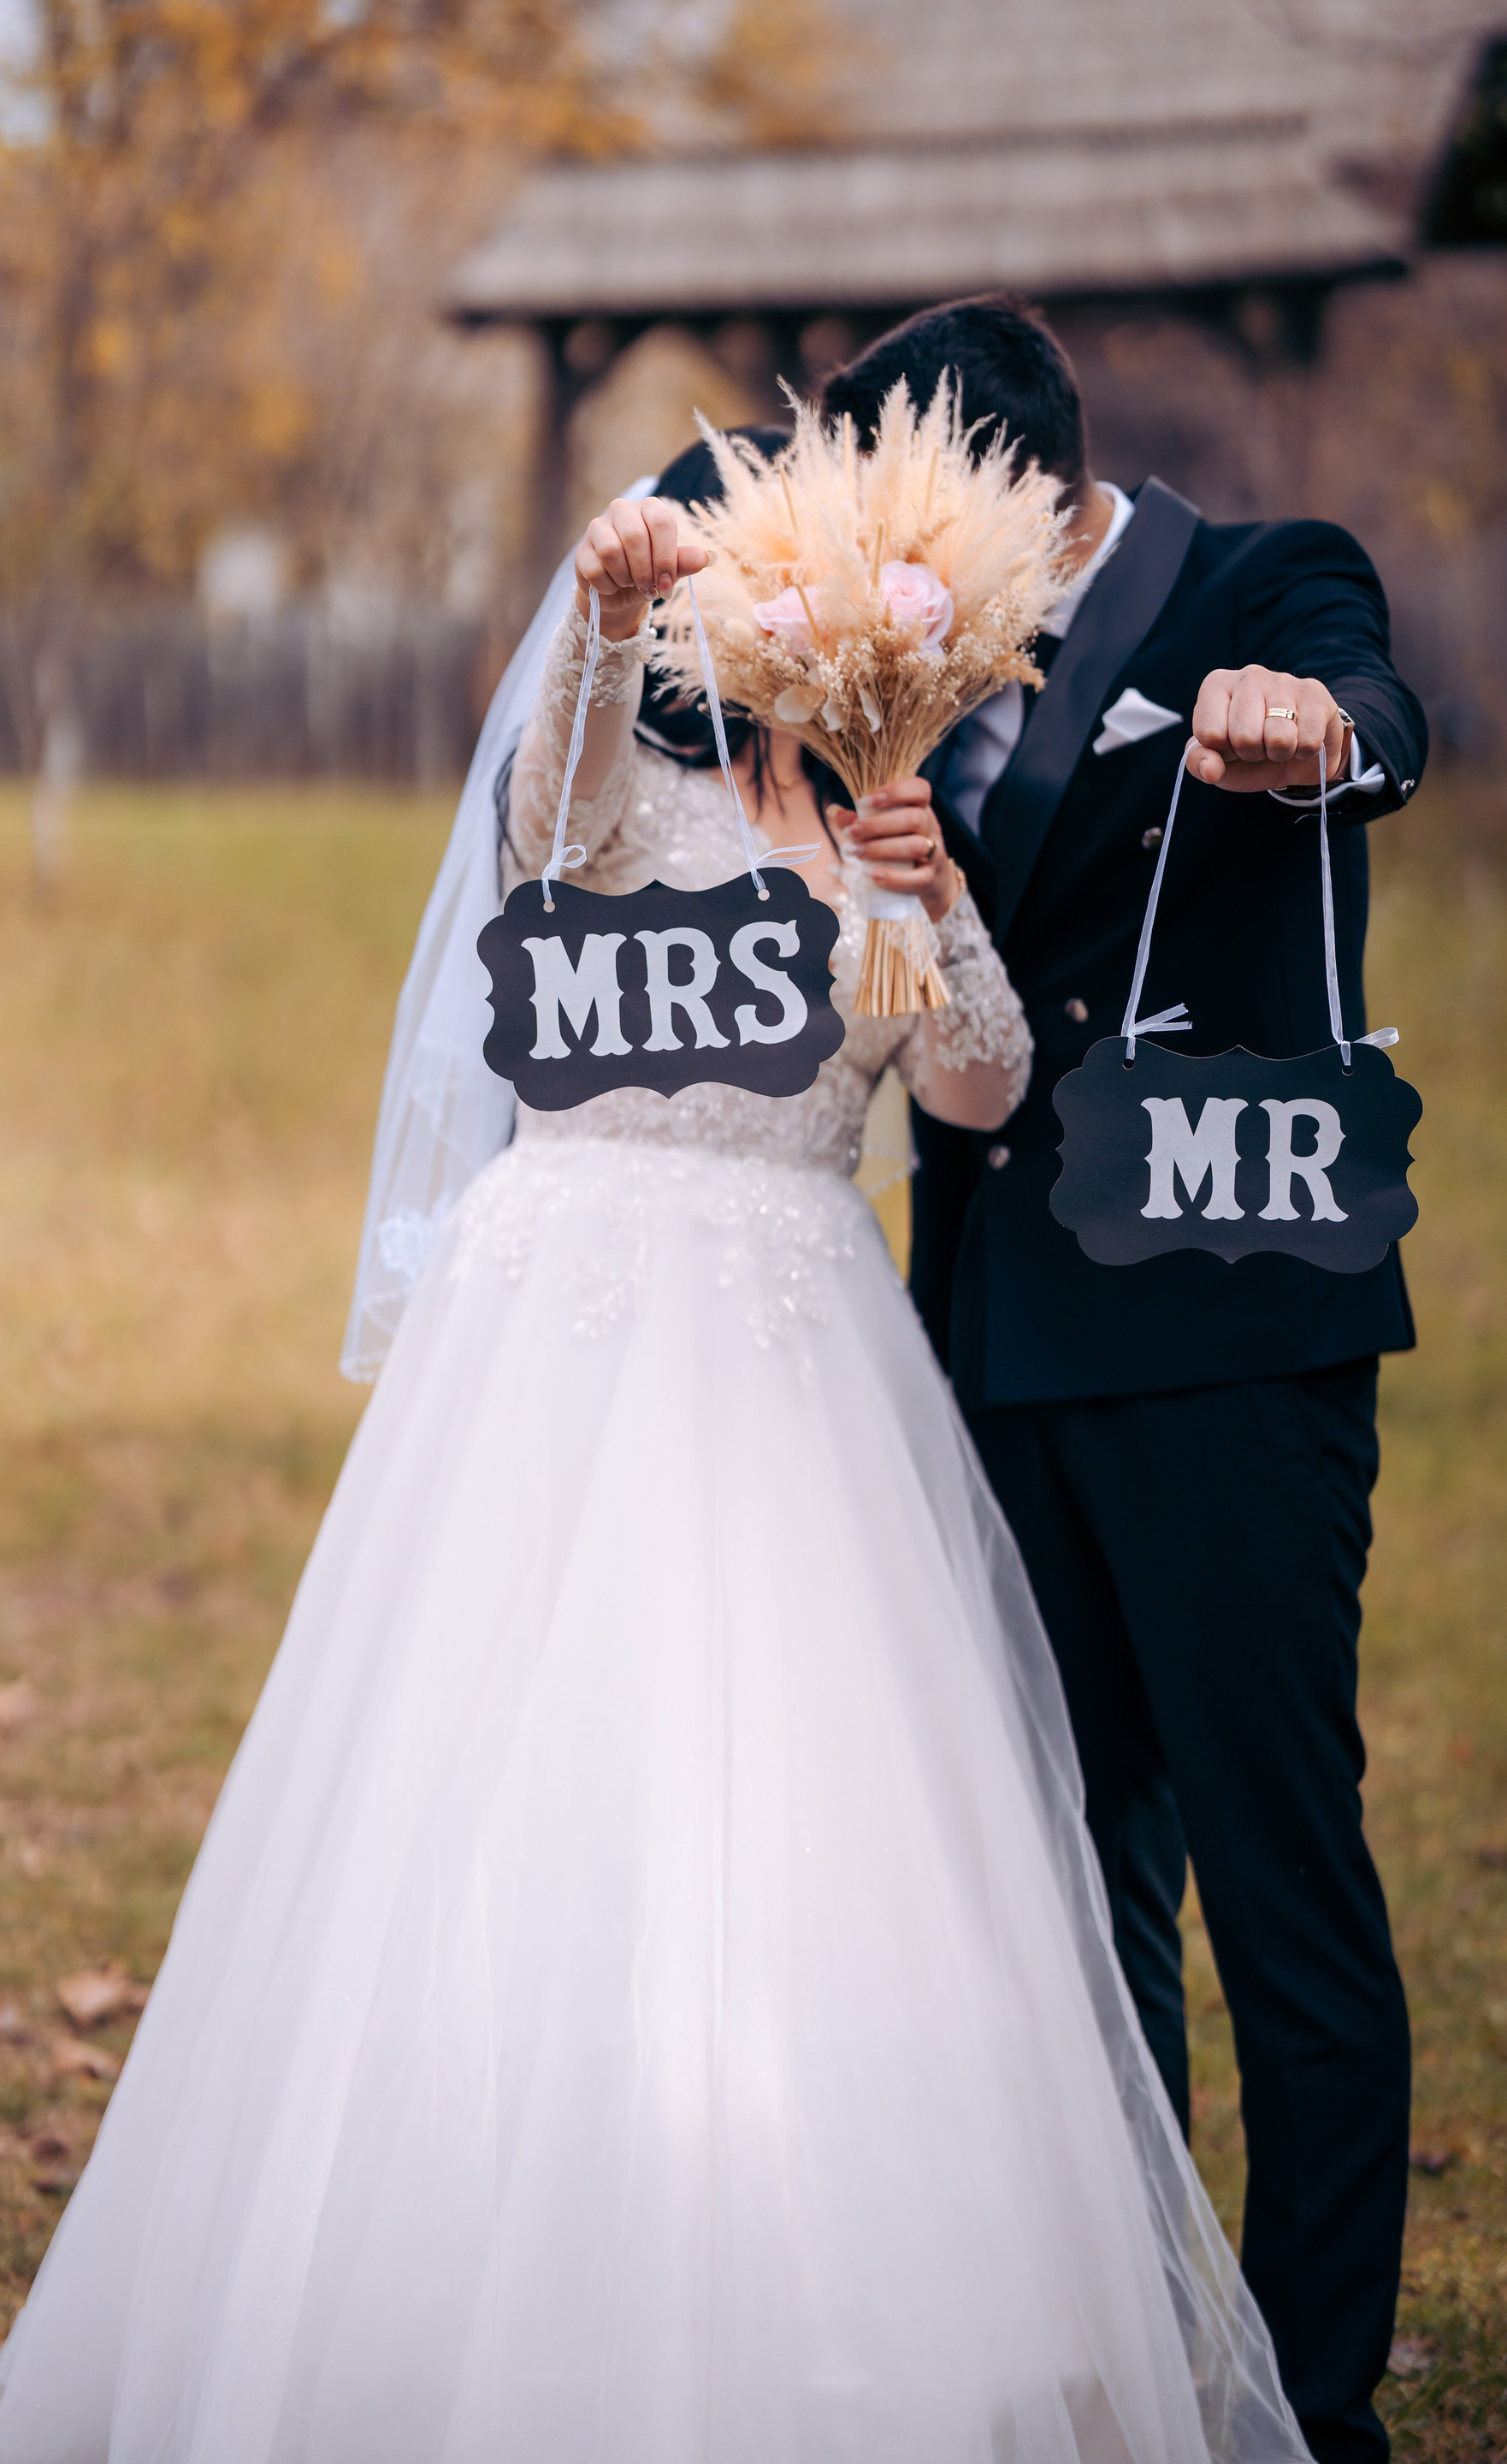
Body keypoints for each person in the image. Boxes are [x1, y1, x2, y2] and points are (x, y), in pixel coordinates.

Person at [0, 434, 1312, 2464]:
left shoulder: (879, 834)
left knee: (802, 1809)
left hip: (794, 1375)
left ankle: (820, 2289)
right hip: (562, 1357)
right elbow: (544, 806)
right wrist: (605, 625)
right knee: (515, 1785)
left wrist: (931, 892)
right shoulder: (611, 808)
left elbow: (977, 1098)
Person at [823, 298, 1427, 2464]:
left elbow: (1379, 720)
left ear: (1017, 502)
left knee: (1281, 1876)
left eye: (901, 521)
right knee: (1075, 1892)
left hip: (1226, 1346)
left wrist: (1307, 727)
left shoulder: (1269, 583)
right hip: (996, 1348)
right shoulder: (900, 675)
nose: (878, 566)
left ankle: (1318, 2406)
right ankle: (1145, 2361)